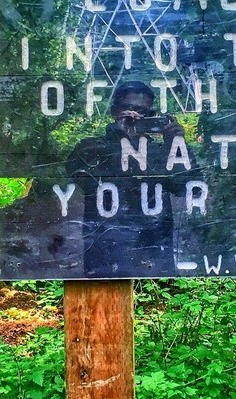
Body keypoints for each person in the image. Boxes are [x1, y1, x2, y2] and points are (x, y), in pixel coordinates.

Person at [65, 80, 195, 276]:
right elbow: (77, 174)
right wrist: (121, 136)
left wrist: (176, 143)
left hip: (154, 245)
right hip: (105, 247)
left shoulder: (161, 151)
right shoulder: (92, 146)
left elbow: (186, 186)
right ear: (114, 111)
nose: (136, 116)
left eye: (144, 112)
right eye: (129, 109)